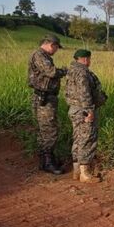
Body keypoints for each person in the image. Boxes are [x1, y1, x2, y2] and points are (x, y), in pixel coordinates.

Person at [65, 49, 107, 183]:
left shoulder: (71, 71)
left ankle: (77, 171)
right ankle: (85, 173)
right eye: (89, 59)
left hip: (74, 109)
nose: (89, 61)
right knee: (87, 139)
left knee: (78, 139)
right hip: (83, 109)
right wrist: (89, 111)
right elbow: (84, 93)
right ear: (84, 59)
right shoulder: (82, 72)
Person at [28, 34, 67, 174]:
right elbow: (51, 72)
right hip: (44, 99)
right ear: (51, 44)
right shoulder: (40, 55)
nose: (56, 50)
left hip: (45, 97)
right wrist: (64, 71)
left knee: (44, 131)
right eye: (56, 47)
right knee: (50, 130)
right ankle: (48, 162)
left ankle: (46, 160)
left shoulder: (42, 55)